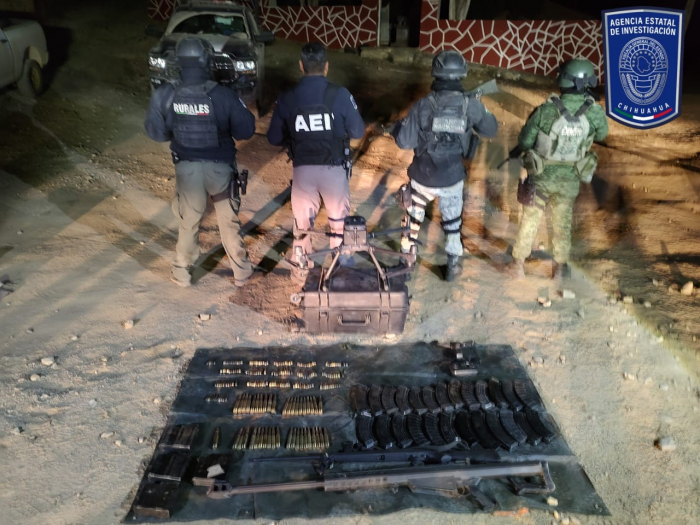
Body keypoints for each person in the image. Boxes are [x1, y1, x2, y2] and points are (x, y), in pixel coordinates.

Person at [145, 37, 256, 288]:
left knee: (188, 222)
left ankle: (182, 273)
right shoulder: (224, 94)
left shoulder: (166, 93)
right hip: (220, 169)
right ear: (207, 60)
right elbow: (246, 130)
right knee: (229, 223)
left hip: (187, 169)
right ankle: (242, 274)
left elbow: (156, 133)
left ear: (178, 61)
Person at [393, 50, 498, 281]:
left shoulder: (423, 105)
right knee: (452, 222)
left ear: (436, 73)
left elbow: (404, 142)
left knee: (412, 218)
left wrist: (401, 126)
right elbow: (491, 129)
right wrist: (478, 108)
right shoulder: (470, 105)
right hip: (452, 178)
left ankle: (406, 262)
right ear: (462, 73)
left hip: (423, 177)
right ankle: (452, 265)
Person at [266, 42, 365, 283]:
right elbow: (358, 131)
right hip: (334, 170)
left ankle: (301, 270)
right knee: (339, 223)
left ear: (301, 66)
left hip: (303, 171)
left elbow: (274, 137)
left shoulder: (287, 98)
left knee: (302, 225)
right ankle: (341, 269)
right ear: (326, 67)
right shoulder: (340, 94)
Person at [507, 58, 608, 280]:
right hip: (570, 178)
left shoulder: (546, 110)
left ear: (564, 80)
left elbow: (525, 141)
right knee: (562, 221)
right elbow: (602, 134)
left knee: (530, 218)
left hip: (541, 176)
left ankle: (518, 265)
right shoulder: (594, 112)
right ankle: (560, 268)